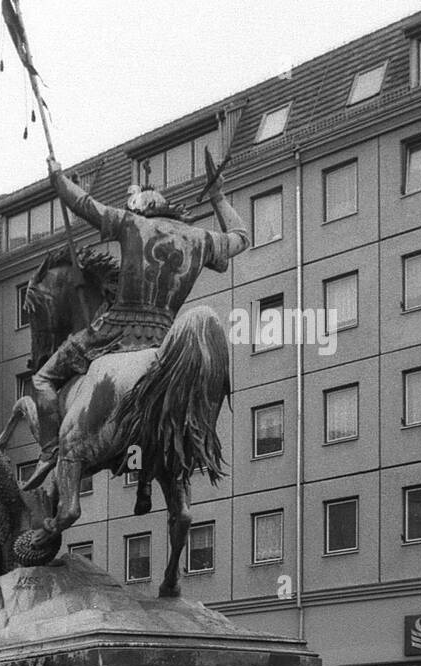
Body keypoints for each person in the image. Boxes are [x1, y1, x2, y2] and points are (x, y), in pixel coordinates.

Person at [23, 154, 250, 496]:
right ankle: (143, 473)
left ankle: (49, 451)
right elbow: (241, 236)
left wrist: (57, 178)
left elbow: (83, 204)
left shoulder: (131, 223)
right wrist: (217, 196)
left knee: (42, 378)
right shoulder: (200, 239)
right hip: (163, 343)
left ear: (142, 209)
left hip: (114, 332)